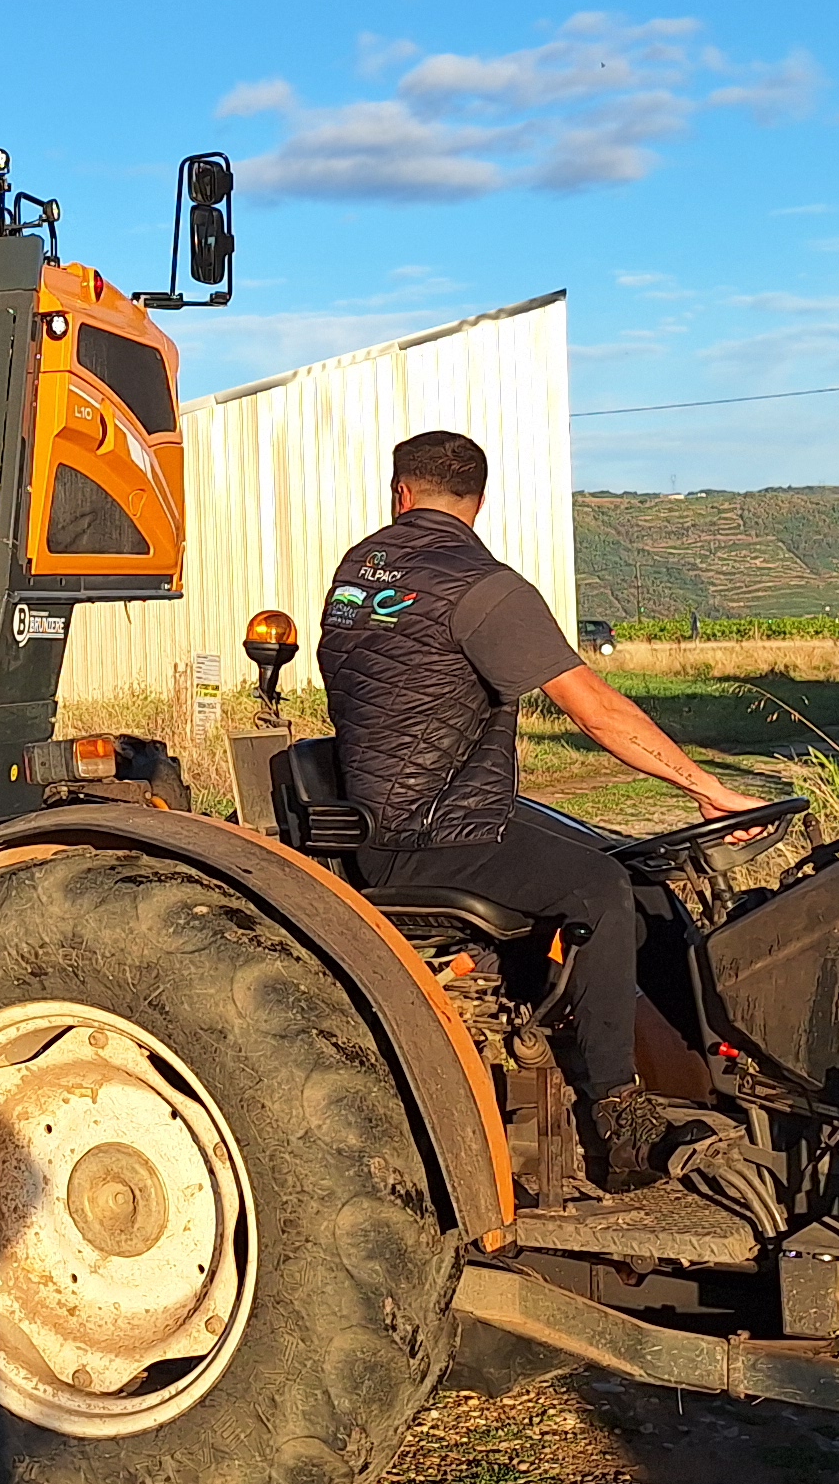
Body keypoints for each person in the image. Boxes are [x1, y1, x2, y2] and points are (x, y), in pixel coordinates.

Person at [315, 427, 762, 1164]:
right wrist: (707, 789)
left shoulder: (358, 569)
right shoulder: (483, 587)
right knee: (603, 888)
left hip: (386, 820)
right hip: (435, 834)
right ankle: (615, 1118)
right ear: (480, 502)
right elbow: (595, 710)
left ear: (400, 494)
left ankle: (714, 1067)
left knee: (640, 873)